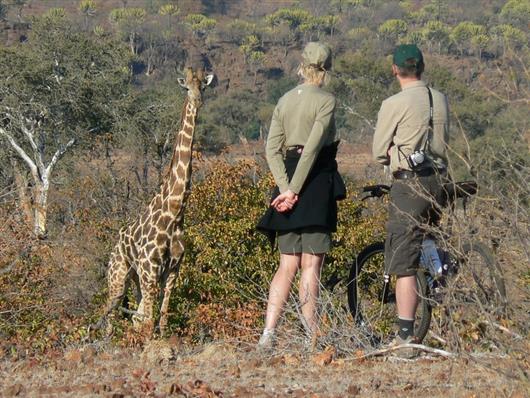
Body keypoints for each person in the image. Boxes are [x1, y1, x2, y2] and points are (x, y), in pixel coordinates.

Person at [256, 42, 346, 350]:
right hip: (315, 181)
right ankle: (311, 338)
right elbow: (312, 147)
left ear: (302, 66)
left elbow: (271, 149)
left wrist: (284, 189)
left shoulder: (283, 100)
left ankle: (267, 335)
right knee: (311, 265)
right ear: (326, 68)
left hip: (287, 183)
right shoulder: (327, 100)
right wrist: (294, 189)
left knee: (286, 264)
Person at [372, 44, 449, 356]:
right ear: (422, 67)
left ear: (395, 70)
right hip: (440, 180)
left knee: (404, 262)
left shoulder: (394, 102)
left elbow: (378, 151)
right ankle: (443, 277)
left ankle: (406, 338)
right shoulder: (439, 98)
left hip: (410, 184)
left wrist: (392, 154)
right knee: (429, 237)